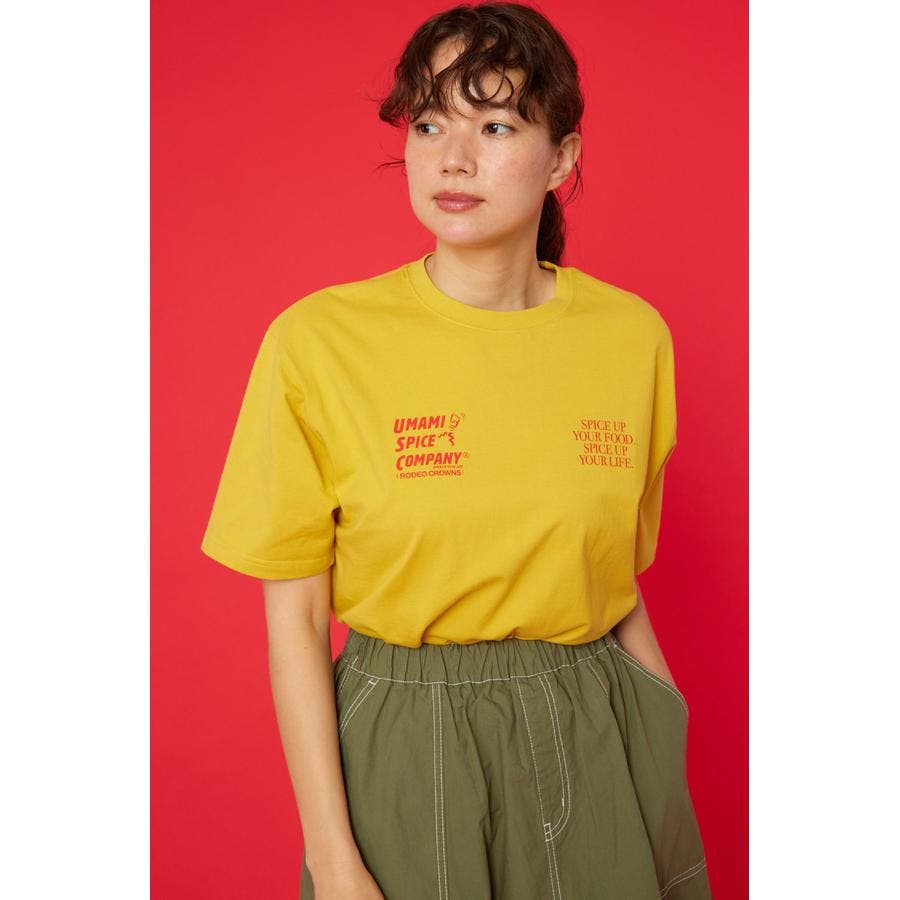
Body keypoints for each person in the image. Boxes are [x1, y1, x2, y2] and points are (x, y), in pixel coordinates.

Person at [200, 3, 712, 898]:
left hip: (598, 728)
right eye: (430, 124)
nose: (453, 158)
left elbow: (615, 577)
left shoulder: (633, 337)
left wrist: (661, 729)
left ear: (562, 159)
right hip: (406, 738)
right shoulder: (319, 343)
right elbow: (298, 622)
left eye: (496, 125)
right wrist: (334, 859)